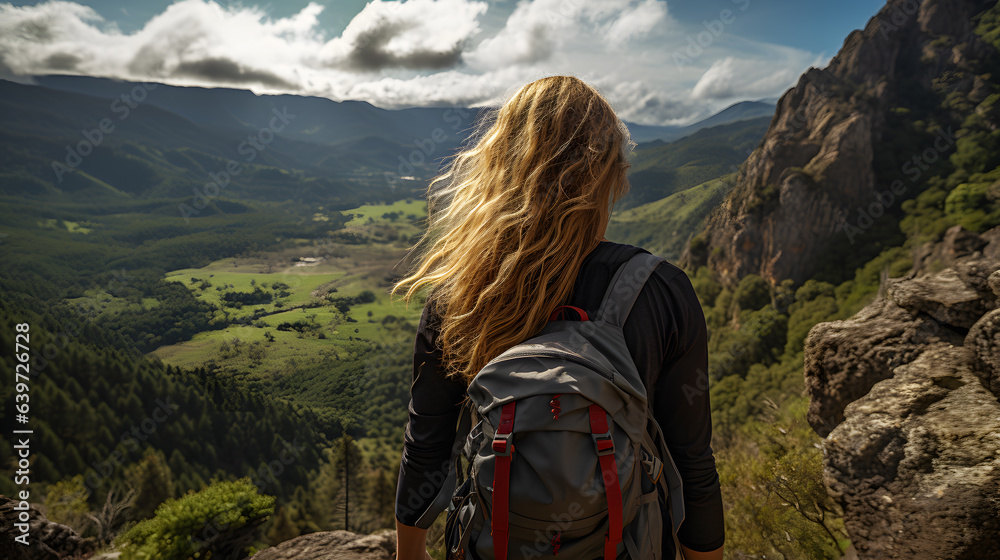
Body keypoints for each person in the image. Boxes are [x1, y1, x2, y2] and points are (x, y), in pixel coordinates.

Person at [390, 75, 724, 560]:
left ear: (497, 167)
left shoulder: (458, 296)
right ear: (612, 177)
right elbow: (691, 466)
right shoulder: (660, 291)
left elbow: (426, 453)